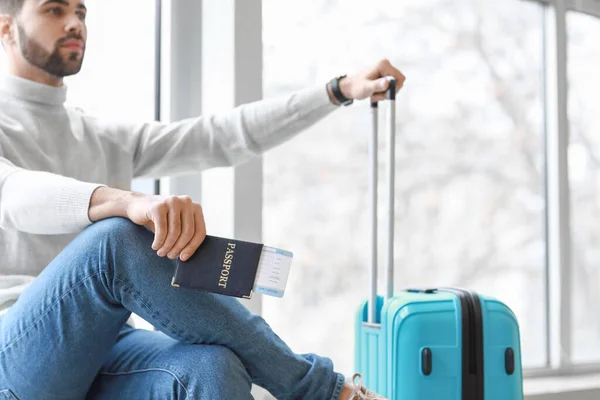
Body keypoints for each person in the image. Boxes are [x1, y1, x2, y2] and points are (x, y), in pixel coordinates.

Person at [0, 0, 406, 399]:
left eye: (81, 12)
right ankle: (325, 392)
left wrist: (337, 90)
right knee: (117, 238)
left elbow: (222, 135)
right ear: (6, 29)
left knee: (213, 367)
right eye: (54, 10)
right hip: (14, 359)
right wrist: (124, 201)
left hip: (110, 343)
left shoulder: (100, 137)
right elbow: (13, 191)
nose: (74, 23)